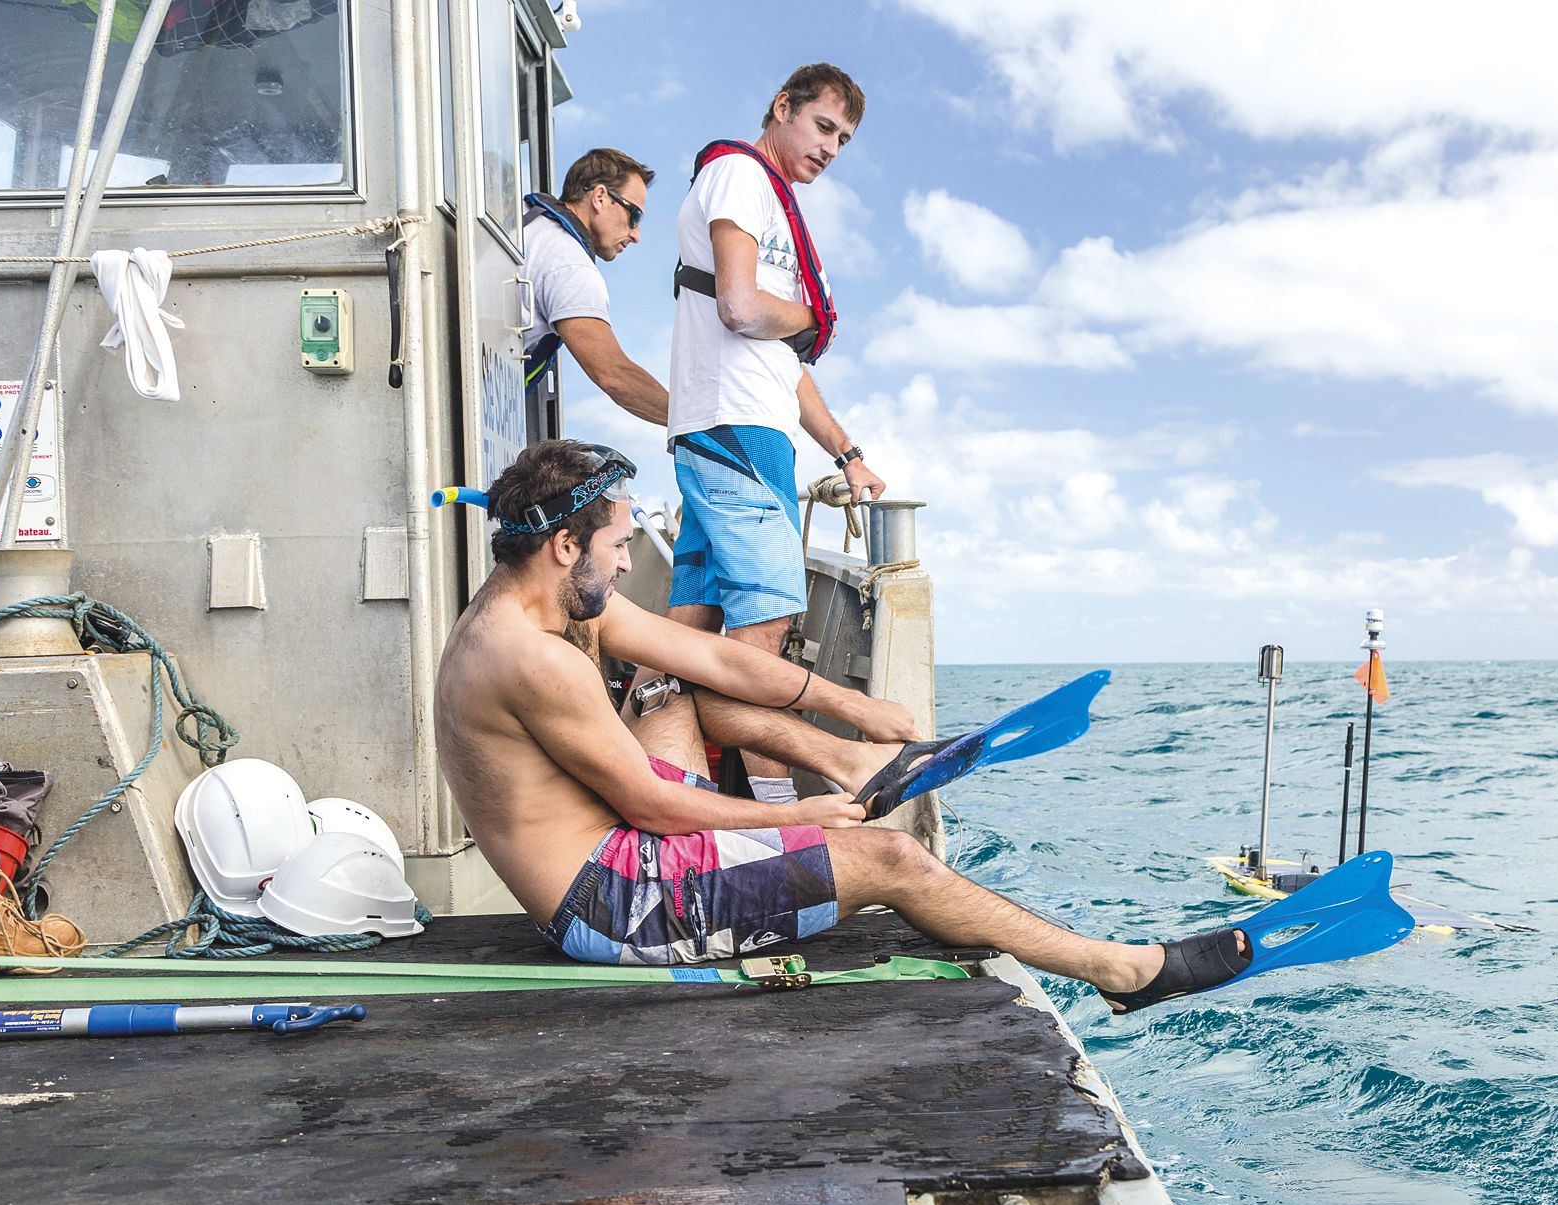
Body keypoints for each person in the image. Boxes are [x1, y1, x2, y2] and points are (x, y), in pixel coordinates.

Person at [433, 441, 1254, 1013]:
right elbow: (651, 808)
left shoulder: (544, 604)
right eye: (616, 544)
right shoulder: (528, 656)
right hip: (617, 902)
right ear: (564, 544)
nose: (623, 561)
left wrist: (856, 711)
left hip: (617, 844)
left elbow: (710, 657)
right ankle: (1123, 969)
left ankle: (857, 762)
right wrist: (801, 815)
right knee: (892, 858)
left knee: (670, 689)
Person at [663, 64, 884, 804]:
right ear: (782, 107)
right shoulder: (740, 175)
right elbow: (740, 307)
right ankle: (778, 819)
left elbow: (784, 366)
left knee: (687, 631)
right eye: (823, 127)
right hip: (736, 428)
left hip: (741, 424)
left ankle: (655, 795)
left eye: (843, 140)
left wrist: (848, 454)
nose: (830, 149)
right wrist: (815, 316)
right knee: (765, 627)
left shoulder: (772, 201)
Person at [523, 148, 669, 433]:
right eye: (634, 216)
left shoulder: (529, 222)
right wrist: (691, 422)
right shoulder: (569, 262)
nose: (636, 235)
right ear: (600, 197)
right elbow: (613, 374)